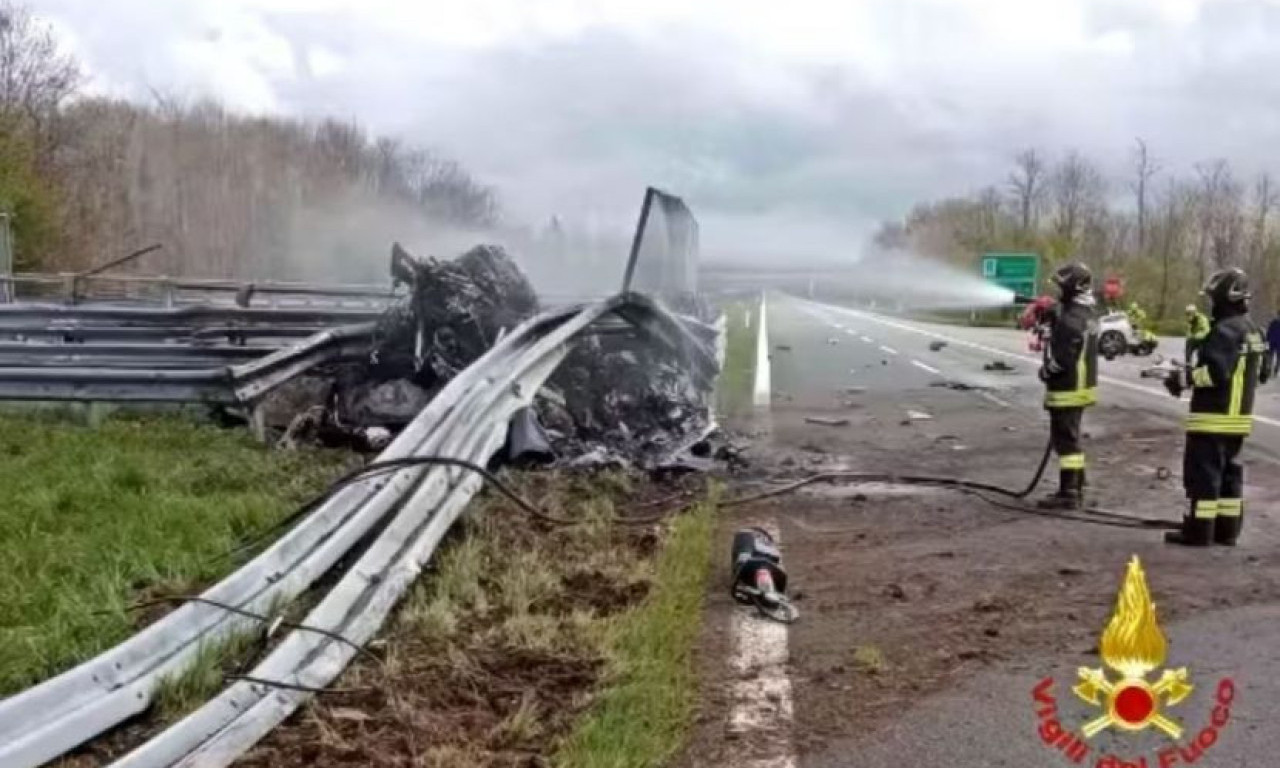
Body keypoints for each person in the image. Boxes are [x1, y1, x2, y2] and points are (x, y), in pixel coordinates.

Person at [1163, 268, 1270, 546]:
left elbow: (1214, 373)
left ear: (1225, 298)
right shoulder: (1254, 331)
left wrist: (1181, 378)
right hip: (1238, 420)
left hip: (1212, 418)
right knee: (1230, 475)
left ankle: (1198, 532)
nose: (1211, 305)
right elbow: (1263, 373)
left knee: (1204, 476)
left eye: (1214, 298)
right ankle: (1227, 531)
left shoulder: (1223, 331)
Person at [1038, 262, 1099, 510]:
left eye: (1061, 286)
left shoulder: (1070, 321)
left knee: (1066, 441)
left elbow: (1062, 359)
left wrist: (1045, 372)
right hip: (1083, 386)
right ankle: (1079, 484)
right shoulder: (1087, 314)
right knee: (1071, 436)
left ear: (1072, 288)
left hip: (1068, 388)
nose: (1058, 291)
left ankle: (1069, 492)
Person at [1268, 310, 1280, 380]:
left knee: (1276, 358)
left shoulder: (1274, 322)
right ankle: (1271, 370)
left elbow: (1269, 332)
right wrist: (1267, 340)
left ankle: (1274, 371)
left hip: (1275, 342)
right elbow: (1269, 332)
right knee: (1271, 357)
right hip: (1272, 342)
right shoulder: (1273, 323)